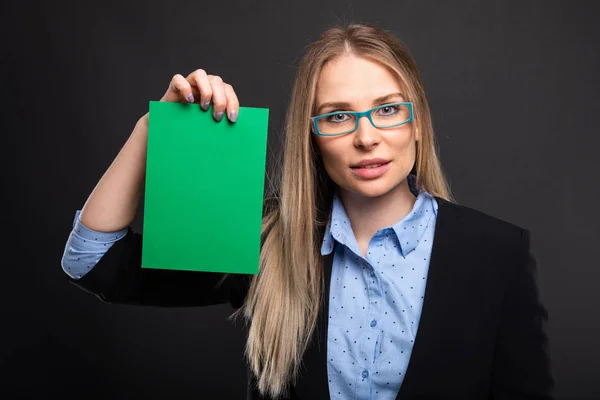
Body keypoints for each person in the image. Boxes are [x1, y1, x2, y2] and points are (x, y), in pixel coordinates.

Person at [61, 23, 554, 400]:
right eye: (338, 116)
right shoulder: (262, 241)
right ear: (312, 137)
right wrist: (157, 129)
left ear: (417, 122)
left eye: (387, 109)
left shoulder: (497, 255)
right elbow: (93, 262)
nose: (366, 137)